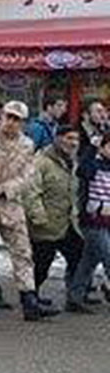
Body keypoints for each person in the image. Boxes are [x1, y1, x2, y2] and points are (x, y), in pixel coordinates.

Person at [0, 101, 59, 321]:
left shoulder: (27, 145)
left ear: (23, 123)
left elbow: (28, 175)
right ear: (2, 115)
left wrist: (7, 189)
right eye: (9, 116)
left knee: (22, 253)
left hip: (10, 205)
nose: (11, 122)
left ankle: (29, 300)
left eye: (17, 119)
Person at [23, 126, 86, 312]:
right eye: (68, 138)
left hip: (67, 223)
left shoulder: (72, 162)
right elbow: (31, 192)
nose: (73, 143)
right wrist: (38, 218)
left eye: (76, 139)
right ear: (57, 139)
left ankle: (74, 297)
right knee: (41, 265)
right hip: (46, 224)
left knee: (78, 256)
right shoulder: (41, 162)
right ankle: (31, 302)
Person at [67, 129, 110, 313]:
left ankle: (75, 297)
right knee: (108, 257)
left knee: (88, 260)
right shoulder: (92, 164)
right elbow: (83, 170)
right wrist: (92, 148)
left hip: (107, 220)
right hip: (93, 220)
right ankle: (75, 297)